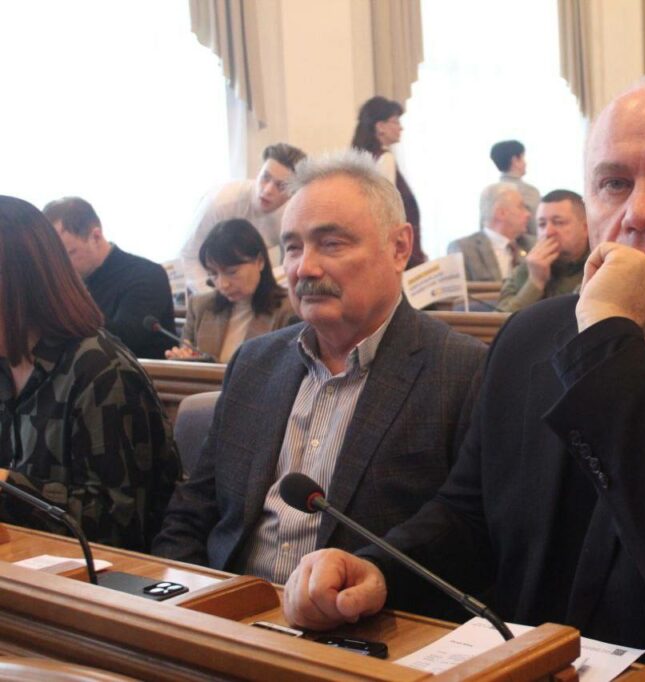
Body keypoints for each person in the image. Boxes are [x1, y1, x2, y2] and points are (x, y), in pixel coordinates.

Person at [282, 78, 645, 680]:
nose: (638, 214)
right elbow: (469, 515)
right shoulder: (530, 337)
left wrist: (610, 337)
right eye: (614, 184)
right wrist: (382, 570)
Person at [151, 151, 487, 584]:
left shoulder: (461, 371)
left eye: (331, 244)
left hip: (362, 614)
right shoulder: (254, 363)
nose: (303, 268)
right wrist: (180, 597)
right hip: (229, 605)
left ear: (399, 247)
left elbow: (465, 531)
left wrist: (370, 579)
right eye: (292, 247)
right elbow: (193, 510)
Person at [0, 196, 180, 551]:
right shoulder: (6, 363)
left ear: (18, 287)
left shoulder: (102, 371)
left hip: (107, 575)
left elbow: (118, 522)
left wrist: (8, 485)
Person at [43, 196, 175, 359]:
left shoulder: (146, 275)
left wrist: (71, 299)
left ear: (96, 237)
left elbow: (124, 342)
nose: (60, 266)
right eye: (53, 258)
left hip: (141, 371)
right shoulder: (73, 277)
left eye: (69, 254)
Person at [165, 219, 298, 363]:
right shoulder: (200, 307)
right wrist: (183, 358)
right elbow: (188, 359)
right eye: (213, 274)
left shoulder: (290, 310)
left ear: (260, 261)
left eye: (232, 272)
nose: (223, 284)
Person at [181, 143, 307, 292]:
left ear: (293, 192)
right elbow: (189, 256)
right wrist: (214, 297)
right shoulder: (220, 202)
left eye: (281, 186)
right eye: (265, 177)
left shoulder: (292, 212)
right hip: (211, 283)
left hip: (255, 288)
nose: (267, 190)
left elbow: (294, 259)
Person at [351, 96, 426, 269]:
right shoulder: (385, 158)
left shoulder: (360, 159)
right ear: (380, 126)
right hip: (395, 250)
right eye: (395, 121)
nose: (401, 127)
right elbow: (389, 209)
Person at [496, 190, 589, 312]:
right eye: (541, 224)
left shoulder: (600, 265)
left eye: (558, 223)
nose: (548, 232)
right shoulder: (528, 267)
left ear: (586, 228)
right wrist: (535, 282)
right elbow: (499, 320)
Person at [448, 183, 534, 282]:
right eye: (521, 207)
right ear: (501, 213)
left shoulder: (531, 246)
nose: (528, 214)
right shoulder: (464, 249)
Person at [487, 140, 542, 236]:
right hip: (525, 244)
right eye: (523, 158)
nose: (525, 163)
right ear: (515, 160)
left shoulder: (488, 192)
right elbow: (537, 229)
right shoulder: (529, 192)